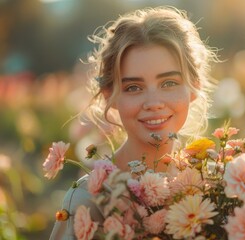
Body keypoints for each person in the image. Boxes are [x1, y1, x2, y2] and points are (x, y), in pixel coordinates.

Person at [49, 5, 216, 239]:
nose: (153, 102)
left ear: (194, 87)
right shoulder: (88, 201)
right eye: (134, 87)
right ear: (110, 95)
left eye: (168, 83)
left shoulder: (212, 187)